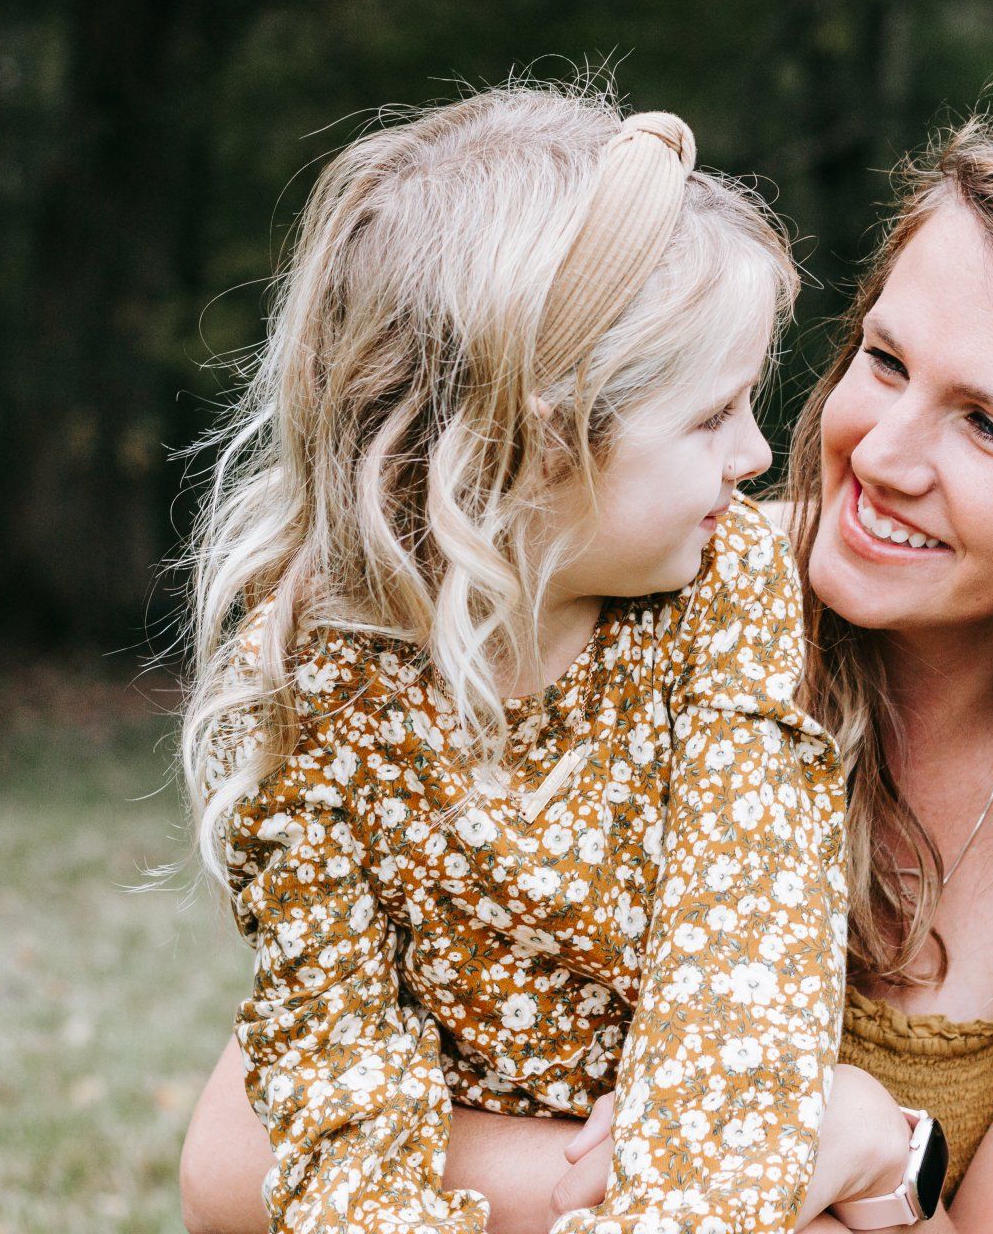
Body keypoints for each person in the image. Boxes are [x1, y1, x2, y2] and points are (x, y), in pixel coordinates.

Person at [182, 87, 993, 1233]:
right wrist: (725, 1163)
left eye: (990, 428)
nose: (879, 454)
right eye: (884, 359)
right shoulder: (629, 601)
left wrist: (866, 1149)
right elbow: (242, 1160)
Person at [176, 81, 917, 1234]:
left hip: (704, 1183)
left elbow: (738, 997)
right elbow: (339, 1071)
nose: (759, 454)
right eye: (712, 415)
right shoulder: (320, 662)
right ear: (537, 443)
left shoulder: (730, 599)